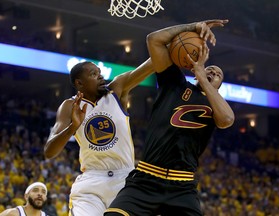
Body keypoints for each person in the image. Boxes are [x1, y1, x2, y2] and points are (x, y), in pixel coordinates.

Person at [105, 20, 235, 216]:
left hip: (181, 187)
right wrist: (193, 27)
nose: (212, 72)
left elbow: (227, 120)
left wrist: (202, 76)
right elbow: (154, 40)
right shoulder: (175, 83)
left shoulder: (216, 104)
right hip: (146, 178)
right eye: (210, 69)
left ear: (219, 85)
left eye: (217, 75)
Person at [44, 58, 154, 215]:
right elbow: (49, 152)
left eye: (100, 73)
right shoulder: (70, 106)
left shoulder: (117, 89)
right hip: (91, 182)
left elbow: (151, 65)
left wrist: (181, 35)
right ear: (79, 83)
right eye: (93, 74)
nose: (101, 76)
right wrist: (72, 127)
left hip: (125, 180)